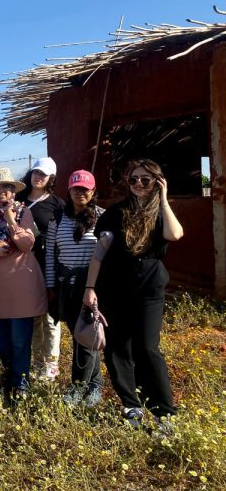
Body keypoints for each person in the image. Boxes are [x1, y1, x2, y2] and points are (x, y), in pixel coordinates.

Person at [83, 159, 184, 427]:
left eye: (145, 179)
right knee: (117, 348)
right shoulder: (116, 213)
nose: (139, 184)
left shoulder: (161, 212)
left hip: (149, 289)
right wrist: (90, 288)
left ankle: (165, 413)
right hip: (114, 288)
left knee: (148, 348)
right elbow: (99, 254)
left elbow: (174, 234)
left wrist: (163, 199)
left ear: (157, 182)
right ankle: (131, 405)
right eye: (134, 180)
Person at [0, 167, 47, 399]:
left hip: (20, 288)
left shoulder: (23, 212)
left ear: (13, 190)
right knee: (1, 340)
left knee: (19, 340)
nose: (1, 191)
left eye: (6, 186)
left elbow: (26, 244)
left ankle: (20, 383)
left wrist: (10, 220)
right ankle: (12, 376)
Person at [45, 170, 105, 407]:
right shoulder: (57, 219)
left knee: (86, 335)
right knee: (81, 335)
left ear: (93, 191)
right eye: (76, 189)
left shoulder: (102, 217)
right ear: (68, 191)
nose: (80, 193)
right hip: (65, 285)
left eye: (85, 189)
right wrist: (51, 285)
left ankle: (78, 386)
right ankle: (95, 384)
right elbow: (50, 253)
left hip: (91, 286)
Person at [16, 157, 65, 381]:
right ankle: (37, 362)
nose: (38, 177)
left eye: (43, 174)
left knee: (50, 318)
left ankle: (51, 364)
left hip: (48, 265)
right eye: (36, 172)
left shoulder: (57, 204)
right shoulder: (18, 199)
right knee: (34, 316)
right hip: (23, 266)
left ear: (50, 178)